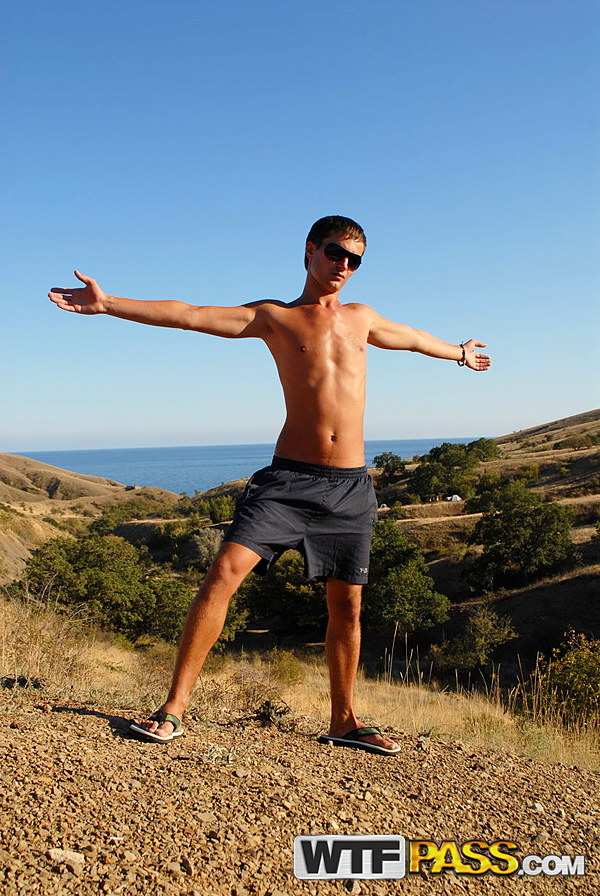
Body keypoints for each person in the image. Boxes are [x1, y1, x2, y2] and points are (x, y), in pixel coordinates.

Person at [48, 215, 491, 756]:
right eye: (335, 253)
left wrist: (459, 352)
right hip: (288, 480)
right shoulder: (275, 317)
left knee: (347, 607)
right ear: (310, 250)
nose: (344, 266)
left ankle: (344, 721)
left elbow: (416, 339)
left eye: (355, 260)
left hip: (350, 487)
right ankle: (173, 709)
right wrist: (109, 303)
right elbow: (190, 315)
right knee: (223, 575)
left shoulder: (363, 318)